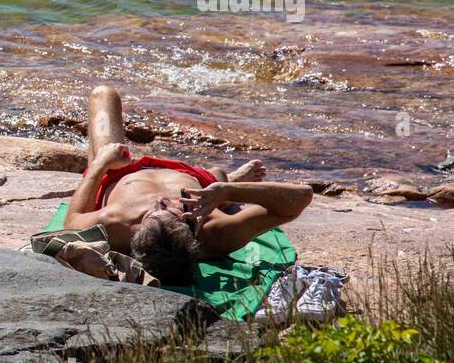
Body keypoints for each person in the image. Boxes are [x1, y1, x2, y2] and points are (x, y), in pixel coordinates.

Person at [62, 84, 312, 285]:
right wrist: (227, 191)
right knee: (217, 175)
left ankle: (224, 181)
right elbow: (301, 197)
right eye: (171, 211)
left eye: (150, 215)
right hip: (197, 180)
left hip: (121, 172)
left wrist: (101, 164)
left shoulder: (115, 226)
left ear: (135, 232)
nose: (160, 201)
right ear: (191, 227)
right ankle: (228, 182)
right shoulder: (217, 233)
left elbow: (72, 219)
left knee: (103, 94)